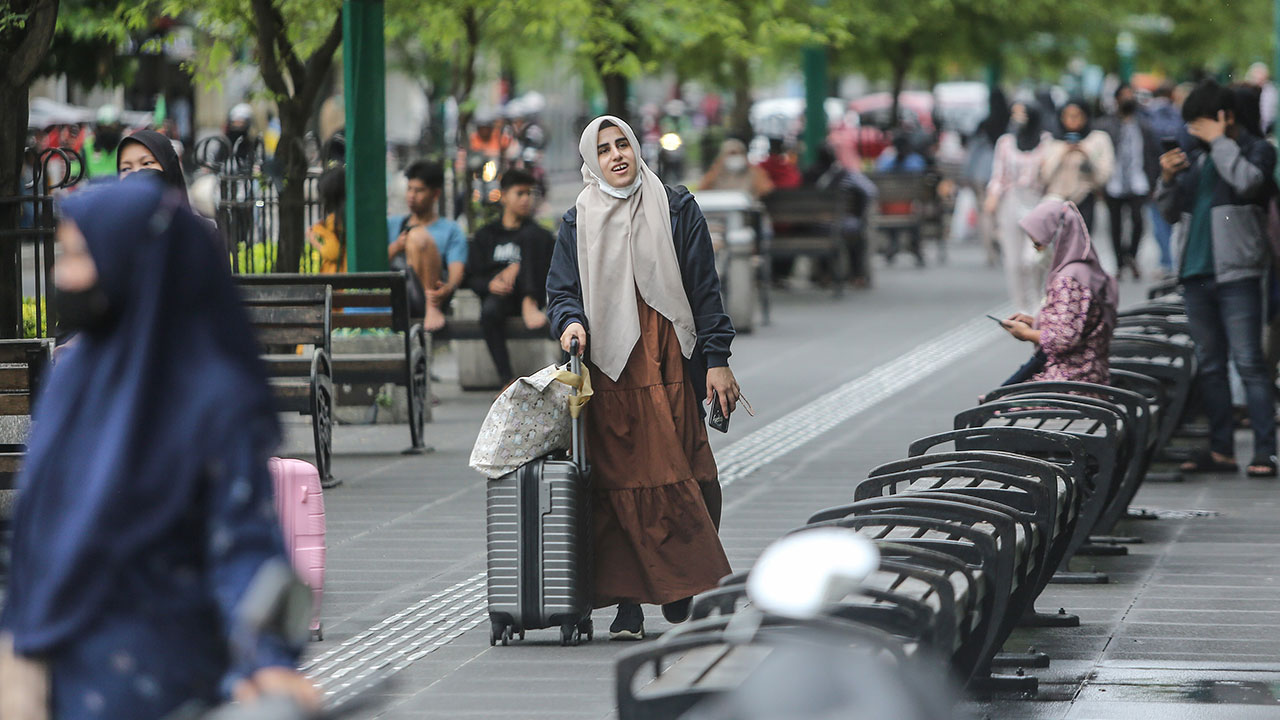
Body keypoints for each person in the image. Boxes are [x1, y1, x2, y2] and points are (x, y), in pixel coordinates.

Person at [0, 176, 318, 718]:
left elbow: (243, 546)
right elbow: (38, 523)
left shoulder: (216, 401)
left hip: (164, 680)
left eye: (79, 255)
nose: (62, 275)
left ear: (131, 259)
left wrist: (265, 658)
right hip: (52, 667)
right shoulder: (74, 374)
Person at [546, 115, 738, 640]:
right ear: (592, 160)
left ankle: (680, 583)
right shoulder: (576, 220)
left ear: (637, 147)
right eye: (604, 149)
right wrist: (571, 324)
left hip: (671, 360)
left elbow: (705, 290)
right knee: (615, 487)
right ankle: (628, 604)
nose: (616, 155)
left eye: (623, 143)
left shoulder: (676, 207)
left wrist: (717, 358)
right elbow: (562, 291)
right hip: (608, 371)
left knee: (693, 477)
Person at [1157, 79, 1278, 477]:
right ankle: (1221, 448)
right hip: (1195, 273)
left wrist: (1221, 140)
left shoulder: (1256, 150)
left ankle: (1264, 451)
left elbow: (1247, 182)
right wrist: (1168, 179)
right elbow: (1171, 212)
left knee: (1249, 362)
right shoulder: (1197, 158)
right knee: (1210, 365)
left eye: (1200, 122)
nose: (1193, 131)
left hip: (1239, 272)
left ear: (1224, 116)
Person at [998, 199, 1117, 386]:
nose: (1036, 251)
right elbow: (1077, 322)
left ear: (1058, 238)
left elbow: (1064, 339)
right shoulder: (1085, 269)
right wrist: (1035, 322)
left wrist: (1027, 334)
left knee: (992, 407)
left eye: (1038, 244)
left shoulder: (1068, 280)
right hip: (1090, 375)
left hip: (1069, 382)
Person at [464, 169, 555, 384]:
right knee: (489, 311)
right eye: (520, 193)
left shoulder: (539, 235)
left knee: (533, 236)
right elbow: (471, 277)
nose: (526, 199)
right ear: (504, 196)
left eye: (529, 193)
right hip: (500, 299)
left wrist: (519, 268)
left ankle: (528, 300)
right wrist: (490, 284)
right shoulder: (486, 235)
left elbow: (552, 271)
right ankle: (506, 380)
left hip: (532, 297)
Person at [985, 100, 1053, 313]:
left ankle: (1037, 301)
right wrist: (992, 197)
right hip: (1012, 200)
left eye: (1022, 113)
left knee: (1032, 258)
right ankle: (1020, 307)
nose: (1018, 118)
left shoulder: (1046, 142)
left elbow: (1050, 173)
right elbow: (999, 175)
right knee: (1013, 261)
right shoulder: (1006, 142)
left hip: (1037, 200)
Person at [387, 160, 468, 331]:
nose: (412, 195)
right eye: (409, 189)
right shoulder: (392, 224)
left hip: (435, 295)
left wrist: (449, 287)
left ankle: (432, 307)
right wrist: (396, 247)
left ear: (435, 194)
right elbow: (374, 265)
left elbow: (456, 269)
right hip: (398, 294)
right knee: (415, 236)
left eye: (419, 190)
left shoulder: (450, 230)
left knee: (418, 235)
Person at [1098, 84, 1160, 280]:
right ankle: (1119, 263)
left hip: (1137, 182)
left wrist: (1153, 181)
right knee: (1115, 225)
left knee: (1138, 222)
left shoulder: (1144, 126)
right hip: (1114, 183)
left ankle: (1131, 256)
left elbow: (1152, 155)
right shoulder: (1105, 126)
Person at [804, 144, 879, 283]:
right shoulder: (846, 175)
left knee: (824, 229)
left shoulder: (808, 176)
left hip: (815, 225)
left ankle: (825, 274)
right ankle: (857, 274)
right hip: (842, 224)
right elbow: (870, 191)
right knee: (856, 231)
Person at [1040, 99, 1114, 230]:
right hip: (1056, 201)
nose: (1072, 120)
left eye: (1077, 115)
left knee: (1080, 245)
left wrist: (1086, 154)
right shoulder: (1051, 141)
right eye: (1068, 115)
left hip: (1084, 200)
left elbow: (1103, 177)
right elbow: (1044, 176)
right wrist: (1062, 153)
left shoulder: (1098, 139)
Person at [1144, 84, 1187, 274]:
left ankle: (1167, 261)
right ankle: (1172, 262)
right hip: (1178, 172)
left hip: (1156, 175)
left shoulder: (1147, 117)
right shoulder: (1180, 119)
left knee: (1160, 221)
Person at [967, 88, 1011, 266]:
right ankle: (1001, 239)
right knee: (1003, 210)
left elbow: (972, 149)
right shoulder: (1010, 123)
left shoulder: (984, 123)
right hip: (1004, 171)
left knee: (985, 211)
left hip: (981, 171)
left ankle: (990, 251)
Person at [117, 129, 190, 207]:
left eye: (147, 163)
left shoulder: (190, 219)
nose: (136, 172)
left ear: (170, 166)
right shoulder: (107, 218)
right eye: (126, 169)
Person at [699, 138, 774, 199]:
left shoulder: (754, 172)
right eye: (730, 154)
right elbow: (701, 189)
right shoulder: (716, 173)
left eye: (736, 154)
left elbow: (766, 189)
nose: (734, 158)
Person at [308, 165, 347, 273]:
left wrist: (314, 239)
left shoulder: (334, 220)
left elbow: (332, 252)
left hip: (339, 282)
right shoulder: (346, 217)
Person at [84, 105, 124, 178]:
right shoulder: (87, 146)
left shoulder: (126, 147)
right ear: (98, 128)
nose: (108, 131)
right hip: (94, 188)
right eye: (104, 128)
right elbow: (77, 172)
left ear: (118, 128)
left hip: (120, 188)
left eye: (111, 128)